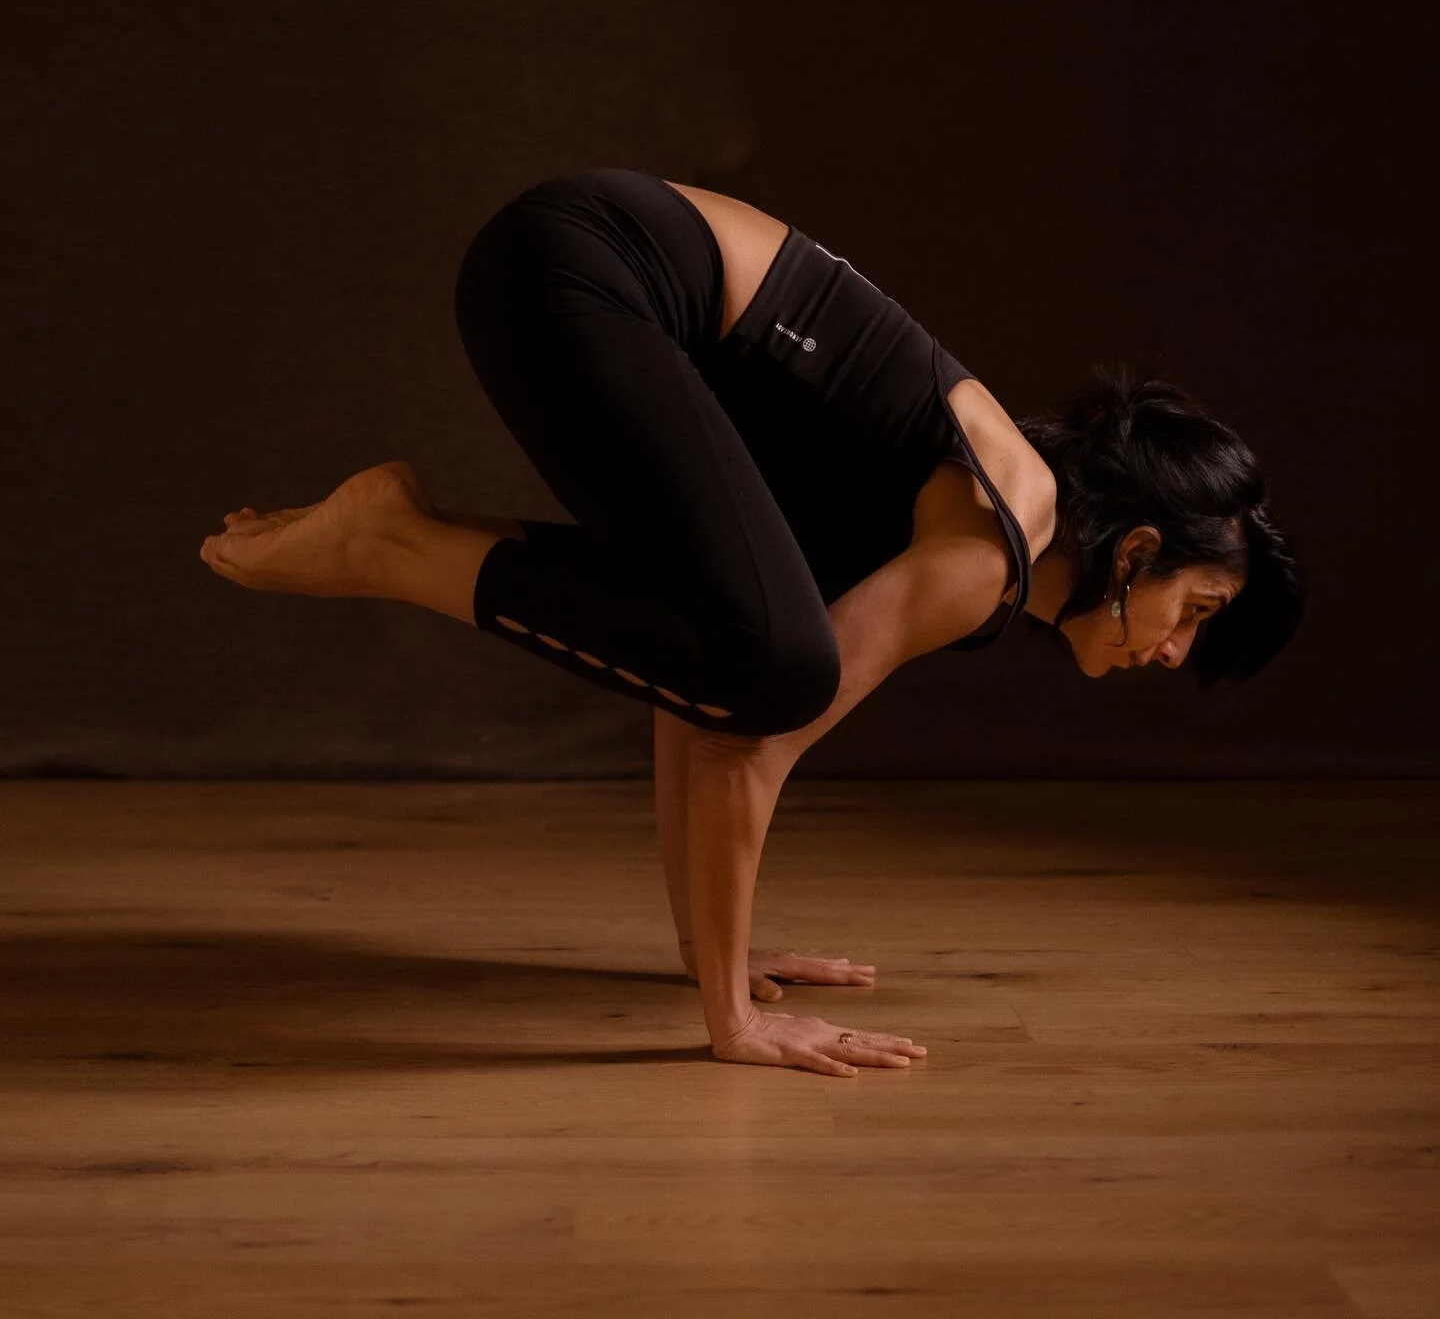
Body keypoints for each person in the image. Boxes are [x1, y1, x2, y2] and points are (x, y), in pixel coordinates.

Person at [198, 167, 1306, 1078]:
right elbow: (757, 730)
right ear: (1142, 548)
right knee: (778, 673)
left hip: (567, 261)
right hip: (586, 268)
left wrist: (705, 952)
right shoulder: (992, 545)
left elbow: (704, 695)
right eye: (1194, 615)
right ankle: (392, 541)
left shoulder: (977, 527)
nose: (1172, 651)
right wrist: (737, 1019)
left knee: (744, 650)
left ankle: (394, 538)